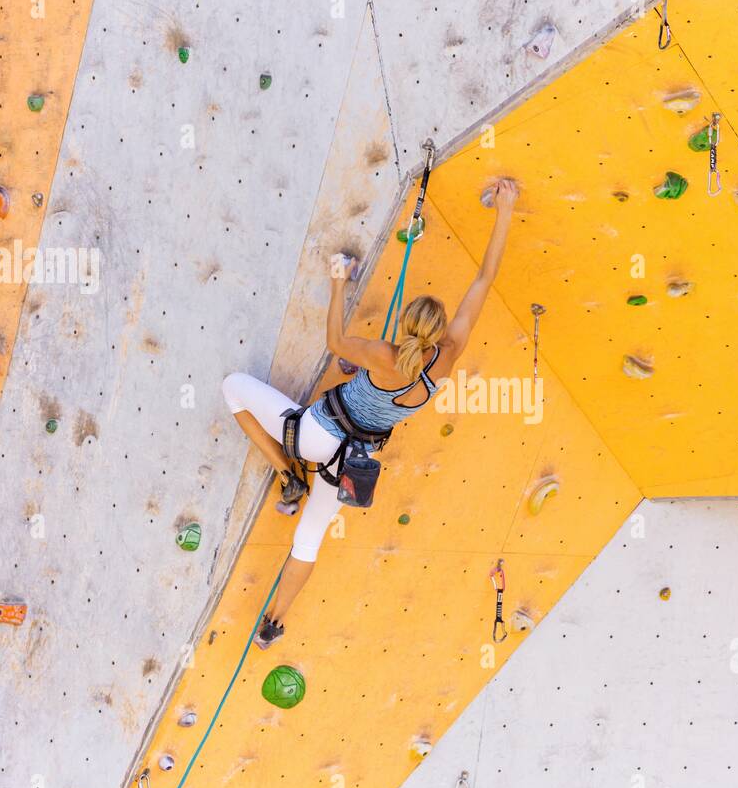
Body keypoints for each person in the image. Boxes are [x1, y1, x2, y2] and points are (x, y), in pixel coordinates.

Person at [221, 178, 519, 644]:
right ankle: (270, 626)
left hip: (318, 432)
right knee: (308, 541)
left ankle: (285, 472)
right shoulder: (447, 357)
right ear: (441, 333)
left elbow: (337, 341)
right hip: (350, 463)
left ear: (405, 327)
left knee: (233, 388)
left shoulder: (384, 354)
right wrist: (504, 214)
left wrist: (339, 282)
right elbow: (485, 279)